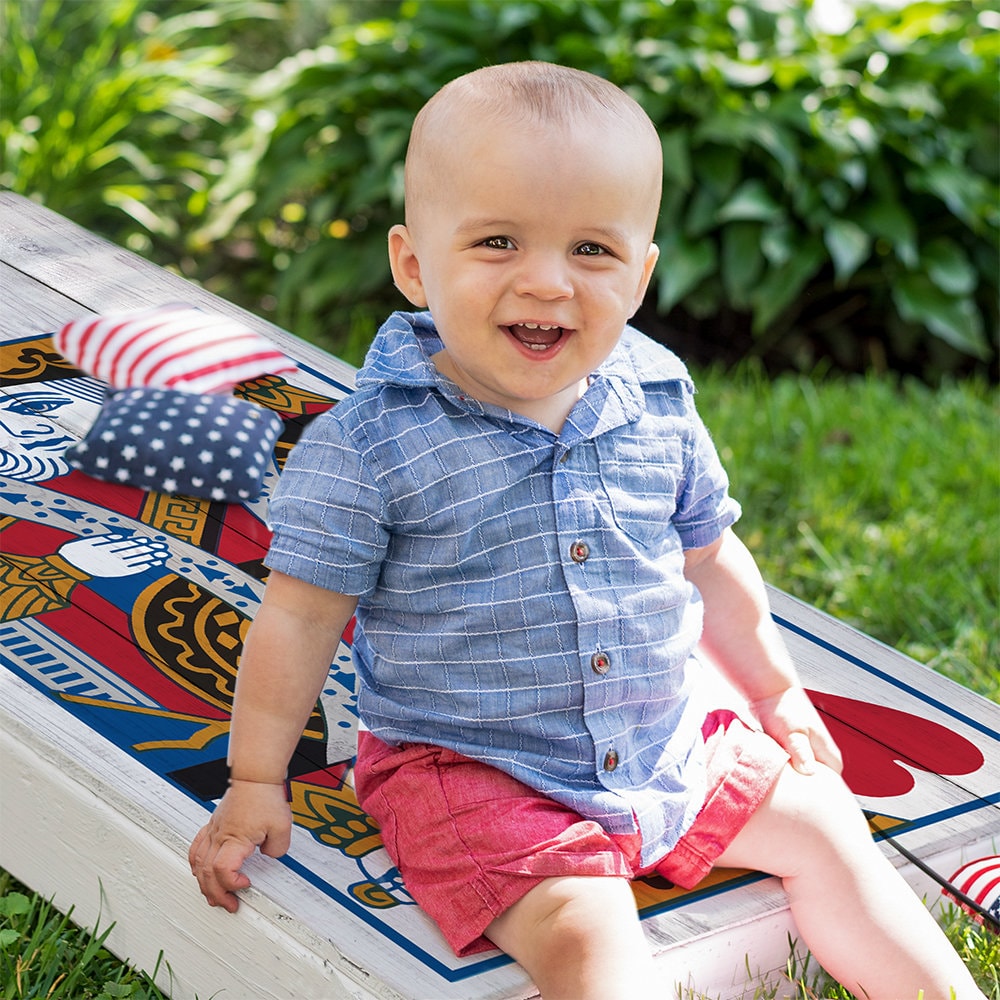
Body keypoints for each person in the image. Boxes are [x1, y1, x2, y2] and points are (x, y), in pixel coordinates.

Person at [189, 62, 982, 1000]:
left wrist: (776, 690)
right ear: (413, 264)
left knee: (828, 828)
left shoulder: (657, 397)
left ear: (641, 275)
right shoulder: (372, 444)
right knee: (586, 935)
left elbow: (709, 555)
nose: (547, 281)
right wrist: (254, 779)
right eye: (496, 240)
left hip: (662, 741)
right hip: (476, 769)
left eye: (593, 251)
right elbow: (299, 617)